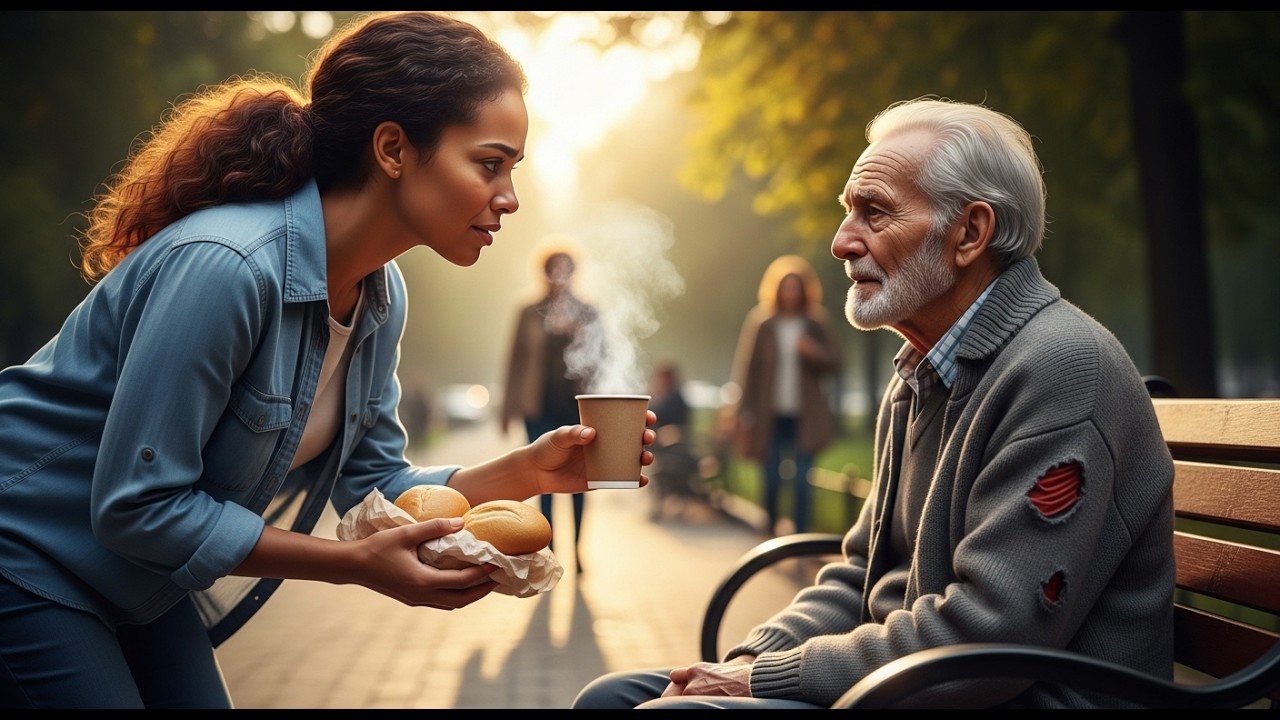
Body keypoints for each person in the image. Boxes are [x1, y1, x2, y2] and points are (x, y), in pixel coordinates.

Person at [0, 11, 655, 709]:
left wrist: (524, 473)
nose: (510, 198)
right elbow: (139, 504)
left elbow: (374, 480)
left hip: (138, 579)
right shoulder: (230, 268)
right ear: (394, 149)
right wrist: (350, 566)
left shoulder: (380, 293)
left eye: (512, 170)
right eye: (489, 164)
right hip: (29, 552)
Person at [573, 96, 1175, 709]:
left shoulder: (1062, 367)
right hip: (903, 684)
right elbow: (858, 574)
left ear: (969, 232)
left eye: (874, 213)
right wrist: (756, 657)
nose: (840, 243)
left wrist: (766, 681)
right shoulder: (920, 369)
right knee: (614, 696)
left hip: (992, 695)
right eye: (847, 212)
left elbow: (988, 635)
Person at [500, 245, 605, 574]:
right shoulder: (529, 311)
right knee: (542, 481)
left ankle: (575, 551)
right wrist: (507, 409)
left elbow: (603, 357)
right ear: (544, 272)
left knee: (579, 483)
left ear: (574, 273)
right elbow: (514, 361)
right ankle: (549, 550)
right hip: (539, 406)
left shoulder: (588, 312)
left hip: (578, 409)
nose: (560, 275)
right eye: (553, 268)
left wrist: (579, 336)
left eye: (566, 268)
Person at [730, 254, 843, 536]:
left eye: (796, 286)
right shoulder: (762, 324)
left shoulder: (815, 323)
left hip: (805, 416)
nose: (791, 293)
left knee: (803, 481)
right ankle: (769, 530)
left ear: (805, 290)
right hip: (769, 415)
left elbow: (836, 362)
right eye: (786, 287)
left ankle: (800, 538)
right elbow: (747, 371)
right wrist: (743, 413)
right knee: (771, 478)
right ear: (776, 289)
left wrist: (812, 351)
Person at [646, 359, 700, 520]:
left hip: (676, 450)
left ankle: (660, 505)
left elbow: (671, 425)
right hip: (670, 447)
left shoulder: (674, 399)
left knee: (662, 468)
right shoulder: (670, 396)